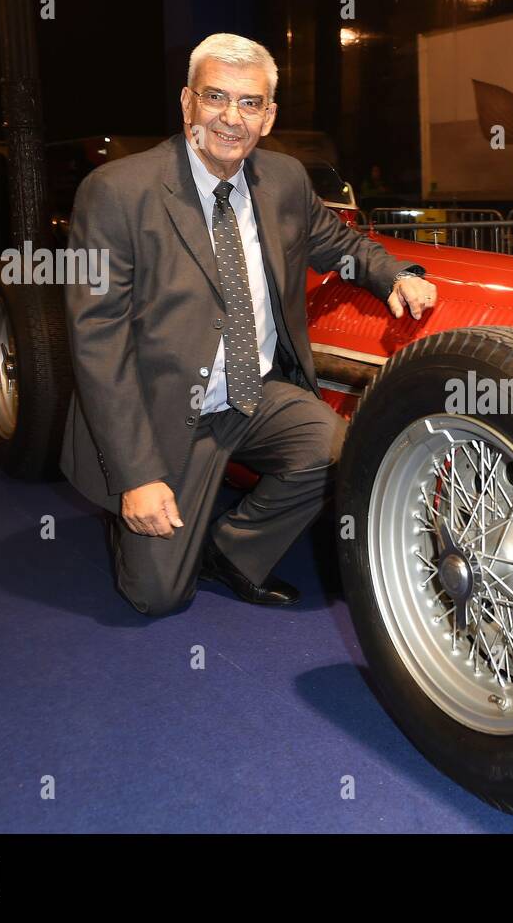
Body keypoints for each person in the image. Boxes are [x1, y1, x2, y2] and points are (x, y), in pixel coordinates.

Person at [61, 33, 436, 617]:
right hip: (161, 413)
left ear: (269, 116)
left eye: (250, 103)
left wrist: (396, 276)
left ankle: (232, 551)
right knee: (156, 598)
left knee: (336, 447)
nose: (231, 118)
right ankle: (137, 516)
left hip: (254, 396)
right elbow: (98, 345)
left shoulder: (283, 179)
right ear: (187, 102)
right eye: (215, 97)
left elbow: (340, 244)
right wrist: (135, 477)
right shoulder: (116, 192)